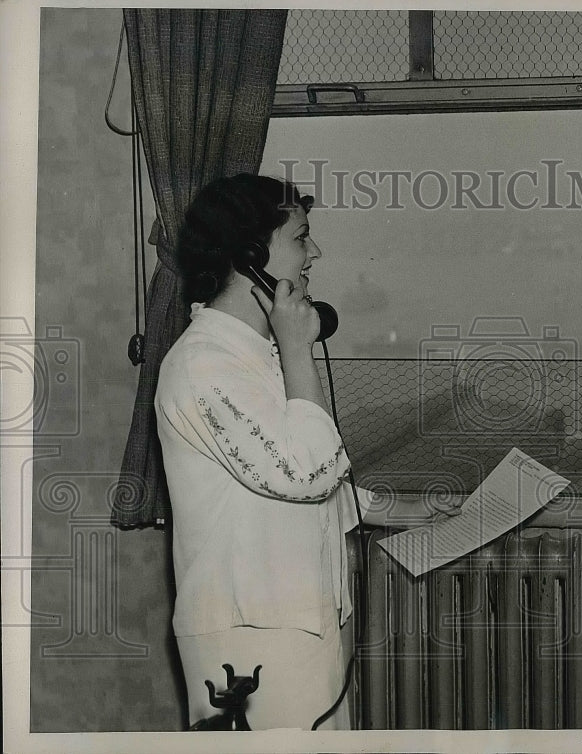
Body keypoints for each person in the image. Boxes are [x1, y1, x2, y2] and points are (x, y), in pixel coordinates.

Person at [154, 173, 449, 730]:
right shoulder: (201, 366)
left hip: (297, 621)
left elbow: (285, 472)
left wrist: (391, 510)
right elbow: (305, 471)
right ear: (250, 256)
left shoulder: (252, 355)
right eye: (300, 237)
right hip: (250, 631)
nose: (315, 252)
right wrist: (296, 347)